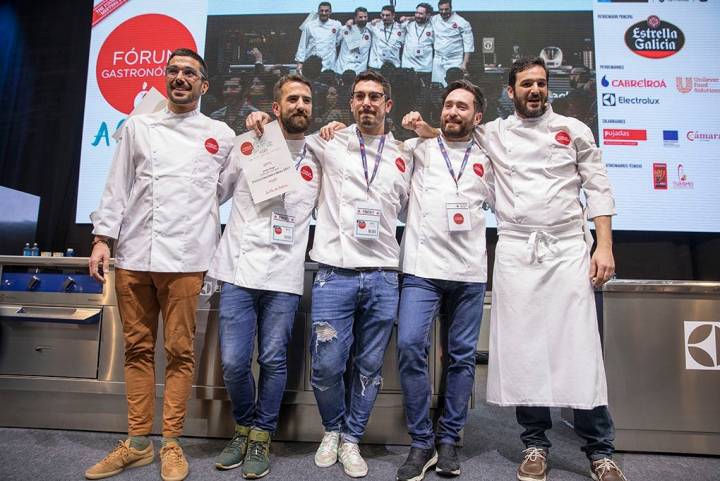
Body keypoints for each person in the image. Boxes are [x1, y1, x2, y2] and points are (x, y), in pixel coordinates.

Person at [404, 57, 627, 481]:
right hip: (517, 249)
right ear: (512, 92)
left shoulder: (575, 130)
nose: (535, 90)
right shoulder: (496, 132)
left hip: (565, 249)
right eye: (526, 84)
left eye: (541, 84)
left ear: (549, 89)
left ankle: (600, 450)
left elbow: (598, 188)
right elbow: (452, 134)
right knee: (527, 352)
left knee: (579, 350)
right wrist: (423, 129)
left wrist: (605, 246)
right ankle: (535, 446)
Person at [86, 48, 236, 481]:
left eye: (189, 73)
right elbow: (117, 185)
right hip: (134, 254)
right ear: (165, 79)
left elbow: (221, 192)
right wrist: (102, 238)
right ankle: (137, 443)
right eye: (173, 71)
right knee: (136, 348)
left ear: (204, 85)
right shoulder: (138, 126)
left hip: (188, 259)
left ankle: (170, 442)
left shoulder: (221, 134)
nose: (180, 78)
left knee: (179, 352)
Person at [209, 75, 321, 479]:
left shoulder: (319, 156)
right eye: (292, 99)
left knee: (274, 361)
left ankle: (261, 434)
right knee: (235, 363)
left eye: (306, 100)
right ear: (276, 107)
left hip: (284, 277)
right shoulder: (247, 144)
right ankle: (242, 425)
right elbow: (213, 193)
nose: (300, 105)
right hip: (239, 270)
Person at [309, 70, 412, 478]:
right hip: (335, 273)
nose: (367, 103)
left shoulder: (407, 153)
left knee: (369, 366)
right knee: (326, 365)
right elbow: (284, 138)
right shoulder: (329, 141)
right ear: (351, 103)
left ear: (388, 105)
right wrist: (259, 121)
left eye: (376, 97)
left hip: (384, 275)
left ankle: (352, 437)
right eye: (360, 96)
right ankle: (331, 429)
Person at [396, 80, 493, 481]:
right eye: (449, 105)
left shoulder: (488, 156)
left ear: (478, 116)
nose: (454, 112)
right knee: (408, 345)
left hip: (469, 272)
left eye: (463, 107)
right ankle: (422, 441)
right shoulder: (416, 149)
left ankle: (449, 438)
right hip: (422, 269)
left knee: (461, 358)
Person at [431, 0, 474, 85]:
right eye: (441, 9)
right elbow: (423, 18)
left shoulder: (462, 22)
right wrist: (408, 18)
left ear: (451, 8)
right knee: (437, 86)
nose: (443, 12)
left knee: (453, 85)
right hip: (438, 60)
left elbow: (468, 44)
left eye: (446, 9)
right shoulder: (435, 18)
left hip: (454, 60)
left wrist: (464, 63)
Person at [296, 2, 342, 73]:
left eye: (326, 11)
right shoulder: (309, 25)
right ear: (318, 11)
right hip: (312, 64)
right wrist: (300, 62)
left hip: (329, 64)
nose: (324, 13)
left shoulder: (337, 25)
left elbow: (339, 40)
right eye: (321, 11)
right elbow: (302, 45)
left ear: (330, 12)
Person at [400, 3, 435, 80]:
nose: (417, 15)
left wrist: (409, 17)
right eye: (416, 13)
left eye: (421, 14)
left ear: (428, 15)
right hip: (407, 67)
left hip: (425, 69)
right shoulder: (407, 24)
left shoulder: (433, 27)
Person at [335, 7, 372, 75]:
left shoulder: (371, 31)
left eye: (365, 17)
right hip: (343, 69)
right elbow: (334, 43)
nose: (363, 19)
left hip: (360, 71)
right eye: (360, 17)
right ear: (355, 17)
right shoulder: (345, 29)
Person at [367, 5, 405, 69]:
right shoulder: (374, 25)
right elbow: (360, 23)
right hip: (376, 66)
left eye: (387, 15)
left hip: (394, 66)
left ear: (393, 15)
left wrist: (410, 18)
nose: (384, 17)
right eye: (382, 15)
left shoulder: (400, 28)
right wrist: (351, 21)